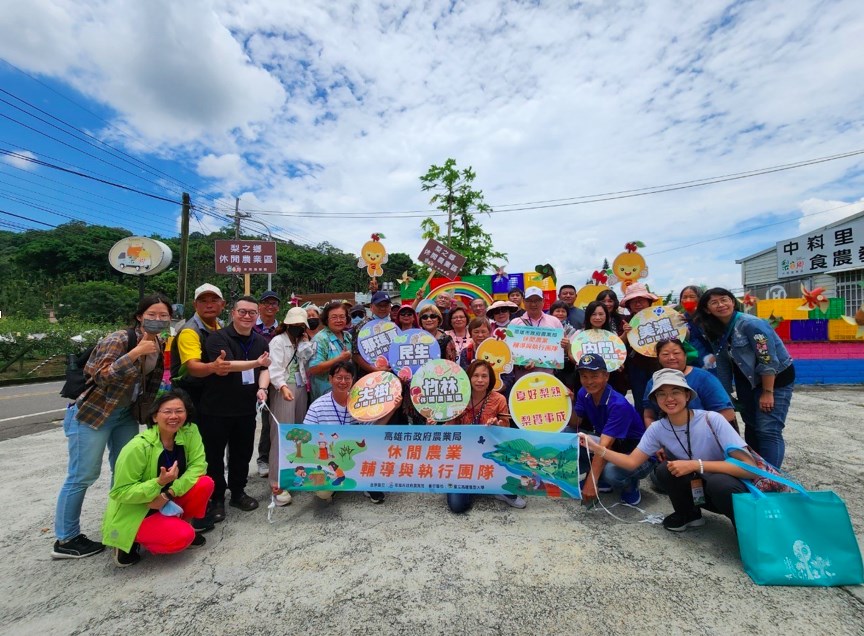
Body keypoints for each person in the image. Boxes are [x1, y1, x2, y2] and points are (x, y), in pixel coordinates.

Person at [53, 294, 172, 560]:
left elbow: (148, 385)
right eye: (152, 314)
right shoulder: (119, 339)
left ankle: (120, 527)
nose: (158, 320)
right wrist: (133, 354)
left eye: (163, 315)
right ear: (140, 316)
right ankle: (66, 538)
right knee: (82, 475)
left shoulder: (159, 342)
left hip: (124, 416)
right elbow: (99, 375)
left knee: (125, 475)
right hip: (93, 414)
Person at [580, 368, 759, 532]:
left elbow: (749, 467)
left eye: (675, 392)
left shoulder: (712, 420)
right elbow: (631, 462)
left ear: (687, 395)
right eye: (662, 394)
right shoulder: (657, 428)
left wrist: (696, 465)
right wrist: (598, 449)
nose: (669, 399)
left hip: (730, 489)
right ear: (656, 400)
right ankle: (689, 514)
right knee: (665, 470)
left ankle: (749, 530)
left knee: (719, 483)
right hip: (701, 488)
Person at [102, 390, 215, 567]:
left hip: (166, 499)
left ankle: (179, 523)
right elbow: (120, 492)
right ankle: (127, 540)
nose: (174, 416)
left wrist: (167, 493)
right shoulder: (138, 447)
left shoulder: (190, 431)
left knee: (204, 483)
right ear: (155, 417)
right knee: (181, 537)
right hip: (140, 508)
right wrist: (158, 483)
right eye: (167, 411)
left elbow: (198, 466)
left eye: (179, 411)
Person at [695, 288, 795, 468]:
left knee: (768, 430)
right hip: (746, 381)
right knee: (751, 425)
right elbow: (723, 362)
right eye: (714, 302)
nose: (721, 305)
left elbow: (767, 359)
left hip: (775, 379)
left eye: (724, 300)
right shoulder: (715, 329)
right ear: (707, 309)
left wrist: (767, 392)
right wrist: (726, 395)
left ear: (733, 302)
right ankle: (755, 471)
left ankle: (772, 479)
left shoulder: (751, 324)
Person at [198, 296, 271, 522]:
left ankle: (237, 492)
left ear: (257, 315)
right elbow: (227, 366)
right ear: (232, 313)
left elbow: (266, 368)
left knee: (242, 454)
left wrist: (263, 388)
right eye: (242, 312)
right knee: (214, 456)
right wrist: (256, 364)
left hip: (245, 410)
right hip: (215, 409)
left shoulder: (260, 341)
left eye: (252, 312)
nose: (247, 316)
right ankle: (217, 497)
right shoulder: (217, 338)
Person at [303, 361, 400, 503]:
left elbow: (372, 430)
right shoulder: (317, 406)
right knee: (323, 493)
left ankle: (367, 483)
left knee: (374, 444)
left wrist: (393, 409)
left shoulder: (360, 403)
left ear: (353, 380)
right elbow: (307, 435)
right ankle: (334, 485)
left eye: (347, 378)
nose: (343, 381)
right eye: (338, 377)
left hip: (356, 455)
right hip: (327, 458)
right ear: (330, 379)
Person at [440, 360, 523, 513]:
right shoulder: (457, 398)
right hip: (462, 455)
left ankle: (498, 488)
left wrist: (497, 425)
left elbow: (507, 429)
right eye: (475, 375)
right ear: (468, 378)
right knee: (457, 506)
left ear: (490, 379)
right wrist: (432, 425)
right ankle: (471, 484)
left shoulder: (499, 399)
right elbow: (449, 430)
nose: (479, 380)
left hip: (491, 453)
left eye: (484, 376)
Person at [572, 354, 649, 506]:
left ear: (606, 376)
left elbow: (604, 446)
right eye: (584, 376)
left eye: (594, 376)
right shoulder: (583, 392)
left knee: (612, 473)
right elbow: (576, 422)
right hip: (610, 443)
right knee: (570, 437)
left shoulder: (618, 404)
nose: (589, 381)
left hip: (634, 452)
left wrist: (590, 483)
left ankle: (630, 483)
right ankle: (601, 480)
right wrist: (567, 404)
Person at [260, 307, 314, 504]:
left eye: (302, 325)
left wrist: (305, 340)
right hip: (284, 387)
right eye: (295, 325)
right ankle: (276, 482)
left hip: (300, 387)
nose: (298, 328)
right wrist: (282, 387)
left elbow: (306, 359)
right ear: (287, 324)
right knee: (282, 434)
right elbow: (273, 368)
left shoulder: (299, 341)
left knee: (298, 433)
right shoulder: (278, 341)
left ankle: (294, 475)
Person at [642, 338, 736, 431]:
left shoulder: (704, 378)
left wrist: (695, 435)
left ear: (685, 355)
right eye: (665, 354)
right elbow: (649, 415)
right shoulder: (653, 382)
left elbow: (728, 414)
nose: (671, 357)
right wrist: (657, 441)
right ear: (658, 358)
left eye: (676, 353)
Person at [170, 283, 230, 411]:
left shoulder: (219, 324)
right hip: (188, 394)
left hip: (208, 391)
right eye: (203, 301)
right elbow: (193, 368)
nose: (209, 305)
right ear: (195, 305)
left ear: (223, 304)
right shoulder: (190, 331)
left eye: (214, 300)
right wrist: (214, 367)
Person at [620, 283, 661, 418]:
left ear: (648, 301)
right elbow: (619, 344)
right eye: (634, 301)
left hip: (659, 364)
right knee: (641, 399)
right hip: (636, 366)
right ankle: (642, 431)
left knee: (662, 395)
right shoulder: (626, 320)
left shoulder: (660, 316)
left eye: (641, 300)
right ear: (629, 305)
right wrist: (626, 333)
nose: (638, 304)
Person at [508, 287, 564, 381]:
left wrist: (565, 346)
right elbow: (509, 353)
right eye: (529, 300)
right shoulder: (515, 324)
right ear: (524, 302)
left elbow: (561, 350)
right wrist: (521, 364)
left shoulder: (554, 322)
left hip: (548, 377)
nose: (533, 304)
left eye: (537, 300)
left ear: (543, 301)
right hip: (522, 379)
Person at [308, 301, 353, 401]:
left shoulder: (348, 337)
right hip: (325, 395)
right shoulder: (320, 339)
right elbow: (313, 368)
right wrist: (339, 359)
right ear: (326, 320)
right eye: (334, 317)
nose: (338, 320)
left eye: (342, 317)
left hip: (346, 393)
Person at [352, 291, 394, 375]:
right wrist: (374, 370)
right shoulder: (362, 326)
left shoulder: (395, 326)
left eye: (385, 305)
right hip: (368, 376)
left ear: (390, 307)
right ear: (371, 307)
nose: (382, 308)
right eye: (379, 305)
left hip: (393, 375)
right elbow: (355, 354)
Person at [678, 285, 713, 370]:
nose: (688, 300)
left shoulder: (710, 317)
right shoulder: (678, 319)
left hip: (712, 362)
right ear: (681, 301)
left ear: (700, 299)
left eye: (692, 297)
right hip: (691, 364)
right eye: (684, 297)